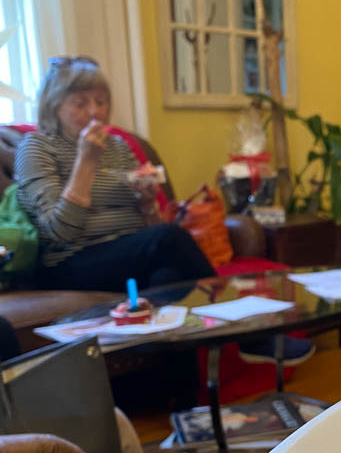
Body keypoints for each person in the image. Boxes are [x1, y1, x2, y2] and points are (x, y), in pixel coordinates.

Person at [14, 56, 216, 292]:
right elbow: (60, 232)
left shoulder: (119, 146)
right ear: (54, 106)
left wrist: (147, 202)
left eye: (101, 102)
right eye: (80, 104)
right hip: (70, 262)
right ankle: (227, 310)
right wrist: (86, 161)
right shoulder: (37, 147)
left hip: (128, 257)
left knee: (169, 277)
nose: (94, 112)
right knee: (169, 237)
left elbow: (149, 228)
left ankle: (179, 326)